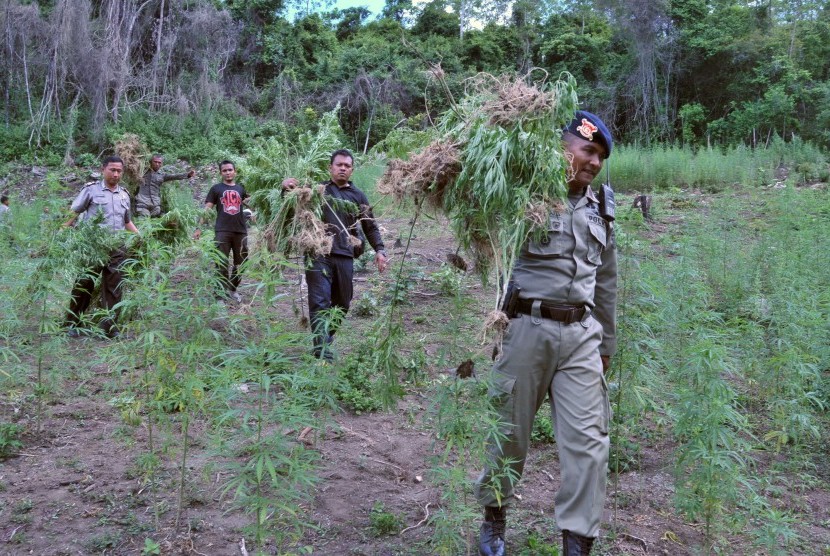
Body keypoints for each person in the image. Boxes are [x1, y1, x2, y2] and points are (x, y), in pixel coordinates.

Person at [475, 111, 617, 556]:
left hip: (582, 336)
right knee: (509, 433)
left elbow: (607, 281)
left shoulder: (602, 208)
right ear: (563, 148)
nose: (594, 162)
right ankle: (494, 518)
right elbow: (481, 212)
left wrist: (607, 343)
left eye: (600, 157)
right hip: (526, 329)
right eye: (588, 151)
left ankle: (577, 542)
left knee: (589, 443)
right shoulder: (523, 195)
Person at [282, 149, 389, 359]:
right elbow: (293, 201)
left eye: (347, 166)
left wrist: (380, 249)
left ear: (352, 170)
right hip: (318, 252)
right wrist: (285, 188)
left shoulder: (358, 196)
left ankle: (326, 336)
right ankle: (322, 352)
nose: (342, 168)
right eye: (339, 165)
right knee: (319, 301)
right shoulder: (318, 190)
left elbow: (370, 226)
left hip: (345, 254)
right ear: (330, 167)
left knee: (343, 303)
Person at [64, 156, 140, 338]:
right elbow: (73, 212)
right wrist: (61, 231)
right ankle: (72, 324)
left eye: (119, 171)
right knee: (84, 284)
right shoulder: (91, 190)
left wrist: (140, 237)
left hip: (117, 248)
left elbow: (127, 221)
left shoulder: (124, 194)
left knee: (114, 288)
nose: (116, 174)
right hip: (93, 247)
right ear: (103, 169)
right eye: (112, 170)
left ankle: (109, 327)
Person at [196, 160, 249, 302]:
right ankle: (219, 295)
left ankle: (232, 289)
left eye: (230, 170)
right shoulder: (216, 189)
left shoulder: (241, 189)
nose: (228, 172)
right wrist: (199, 228)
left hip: (240, 230)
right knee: (221, 263)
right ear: (221, 173)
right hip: (222, 230)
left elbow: (252, 204)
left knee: (242, 262)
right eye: (224, 170)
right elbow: (207, 210)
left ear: (235, 171)